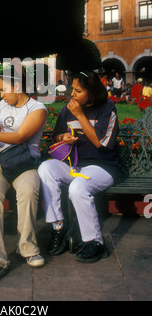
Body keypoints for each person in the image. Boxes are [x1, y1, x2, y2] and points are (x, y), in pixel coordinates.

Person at [0, 62, 47, 288]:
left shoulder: (37, 109)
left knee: (28, 190)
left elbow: (20, 137)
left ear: (17, 87)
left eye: (4, 89)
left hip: (25, 162)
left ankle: (28, 248)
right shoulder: (3, 106)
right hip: (1, 162)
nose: (1, 95)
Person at [38, 70, 119, 264]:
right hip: (74, 165)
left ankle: (95, 241)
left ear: (90, 93)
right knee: (45, 169)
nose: (71, 94)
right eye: (72, 89)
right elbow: (56, 135)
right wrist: (62, 137)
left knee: (77, 188)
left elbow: (100, 142)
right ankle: (59, 228)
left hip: (102, 167)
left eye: (77, 90)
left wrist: (80, 115)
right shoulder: (69, 108)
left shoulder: (107, 108)